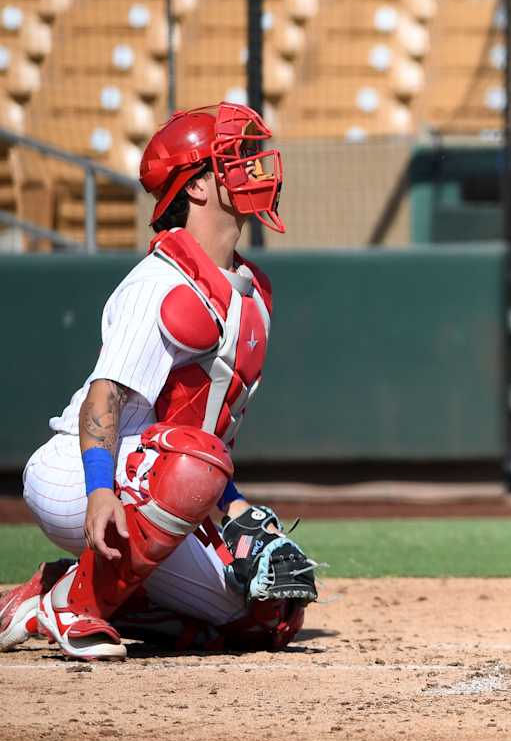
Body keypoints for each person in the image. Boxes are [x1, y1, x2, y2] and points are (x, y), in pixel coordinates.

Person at [0, 103, 317, 661]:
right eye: (234, 159)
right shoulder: (160, 284)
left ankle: (55, 587)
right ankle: (74, 604)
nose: (254, 167)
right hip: (77, 474)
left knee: (268, 616)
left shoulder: (249, 292)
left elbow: (193, 430)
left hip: (156, 475)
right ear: (195, 188)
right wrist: (99, 491)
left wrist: (238, 511)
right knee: (195, 460)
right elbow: (106, 396)